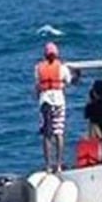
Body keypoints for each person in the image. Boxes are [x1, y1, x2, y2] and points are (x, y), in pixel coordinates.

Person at [34, 41, 73, 172]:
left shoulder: (38, 68)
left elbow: (37, 85)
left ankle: (48, 165)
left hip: (45, 101)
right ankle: (59, 164)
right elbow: (68, 81)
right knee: (59, 132)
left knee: (46, 134)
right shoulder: (62, 68)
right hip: (59, 101)